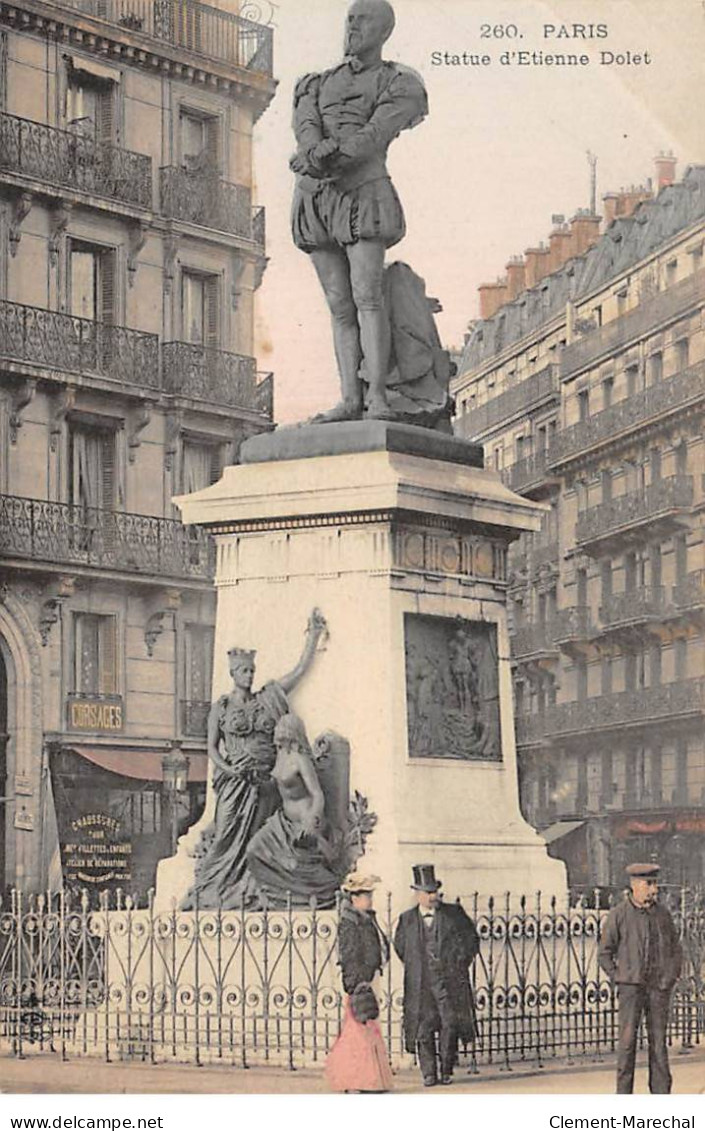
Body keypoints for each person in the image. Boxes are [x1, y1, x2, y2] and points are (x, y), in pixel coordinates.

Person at [290, 0, 428, 422]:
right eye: (349, 19)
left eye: (362, 19)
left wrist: (330, 155)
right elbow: (304, 124)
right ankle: (350, 399)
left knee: (368, 297)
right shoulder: (316, 82)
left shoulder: (399, 82)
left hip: (363, 190)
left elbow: (376, 131)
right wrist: (315, 153)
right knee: (339, 305)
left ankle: (378, 399)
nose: (351, 26)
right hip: (316, 195)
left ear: (383, 30)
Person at [183, 610, 327, 909]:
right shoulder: (220, 708)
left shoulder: (267, 698)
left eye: (251, 670)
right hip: (233, 783)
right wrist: (230, 770)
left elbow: (298, 673)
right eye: (244, 671)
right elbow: (210, 748)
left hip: (265, 782)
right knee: (224, 834)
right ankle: (210, 890)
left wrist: (312, 639)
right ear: (233, 674)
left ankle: (251, 890)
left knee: (256, 839)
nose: (249, 675)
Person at [598, 862, 682, 1094]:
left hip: (658, 989)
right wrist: (620, 978)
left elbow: (676, 950)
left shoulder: (663, 915)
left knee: (659, 1047)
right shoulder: (618, 915)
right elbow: (604, 953)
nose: (654, 890)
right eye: (649, 884)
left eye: (655, 883)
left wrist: (669, 978)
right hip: (631, 990)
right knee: (627, 1046)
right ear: (635, 885)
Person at [393, 864, 479, 1087]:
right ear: (417, 894)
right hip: (421, 984)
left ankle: (446, 1070)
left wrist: (457, 963)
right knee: (423, 1028)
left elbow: (471, 940)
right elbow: (400, 947)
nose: (432, 897)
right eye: (427, 892)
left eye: (434, 892)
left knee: (450, 1023)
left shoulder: (454, 913)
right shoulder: (407, 919)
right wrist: (417, 967)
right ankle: (428, 1073)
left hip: (448, 981)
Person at [246, 714, 341, 908]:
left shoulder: (300, 760)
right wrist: (256, 781)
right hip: (282, 822)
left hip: (304, 819)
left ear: (292, 733)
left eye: (284, 729)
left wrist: (312, 821)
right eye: (279, 729)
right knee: (254, 849)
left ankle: (311, 897)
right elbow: (276, 789)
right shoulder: (280, 758)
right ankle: (277, 897)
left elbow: (317, 794)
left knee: (298, 866)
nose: (279, 733)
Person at [325, 872, 393, 1093]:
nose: (369, 899)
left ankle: (369, 1079)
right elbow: (349, 956)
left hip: (369, 977)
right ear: (354, 898)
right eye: (365, 895)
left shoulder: (366, 918)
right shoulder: (350, 923)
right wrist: (357, 985)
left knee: (367, 1029)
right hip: (360, 982)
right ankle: (356, 1079)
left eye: (369, 895)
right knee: (358, 1031)